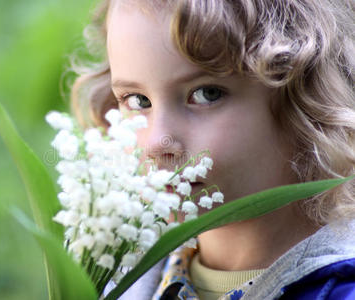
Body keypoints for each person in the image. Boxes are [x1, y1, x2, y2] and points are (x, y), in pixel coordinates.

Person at [69, 0, 355, 299]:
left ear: (307, 98)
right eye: (138, 101)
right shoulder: (117, 276)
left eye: (206, 94)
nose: (157, 142)